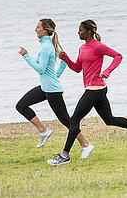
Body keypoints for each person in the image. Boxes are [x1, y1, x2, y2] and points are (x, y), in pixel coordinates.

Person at [47, 19, 127, 166]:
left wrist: (107, 71)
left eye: (80, 30)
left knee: (74, 120)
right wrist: (65, 58)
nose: (78, 32)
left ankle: (64, 155)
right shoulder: (82, 48)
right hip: (96, 90)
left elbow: (118, 56)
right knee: (109, 119)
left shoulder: (98, 46)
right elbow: (78, 68)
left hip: (95, 90)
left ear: (89, 31)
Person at [16, 18, 94, 159]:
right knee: (21, 105)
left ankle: (85, 144)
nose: (35, 29)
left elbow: (41, 69)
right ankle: (43, 130)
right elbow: (62, 64)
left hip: (52, 90)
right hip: (46, 87)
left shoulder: (47, 47)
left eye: (37, 27)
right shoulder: (47, 45)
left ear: (45, 30)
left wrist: (26, 56)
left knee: (66, 120)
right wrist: (54, 77)